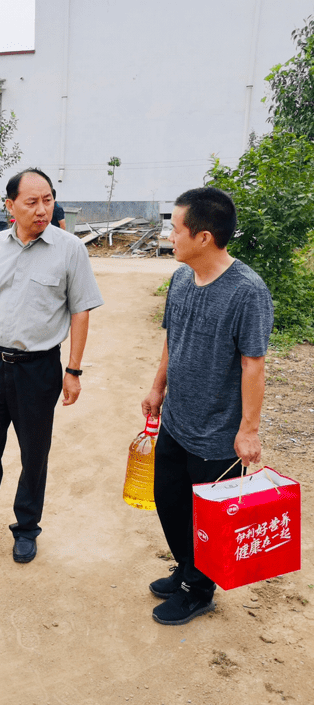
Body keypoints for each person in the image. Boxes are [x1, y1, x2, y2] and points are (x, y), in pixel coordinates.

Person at [0, 168, 103, 565]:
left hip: (38, 369)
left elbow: (81, 310)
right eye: (32, 202)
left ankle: (26, 528)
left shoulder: (70, 249)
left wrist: (74, 370)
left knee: (34, 454)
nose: (42, 209)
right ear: (10, 206)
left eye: (47, 199)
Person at [142, 187, 273, 625]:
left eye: (175, 229)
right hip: (177, 420)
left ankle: (199, 590)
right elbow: (171, 339)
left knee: (208, 520)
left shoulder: (246, 291)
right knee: (170, 502)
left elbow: (253, 364)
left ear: (204, 237)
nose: (170, 237)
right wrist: (157, 387)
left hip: (217, 434)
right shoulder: (181, 278)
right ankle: (186, 568)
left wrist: (248, 430)